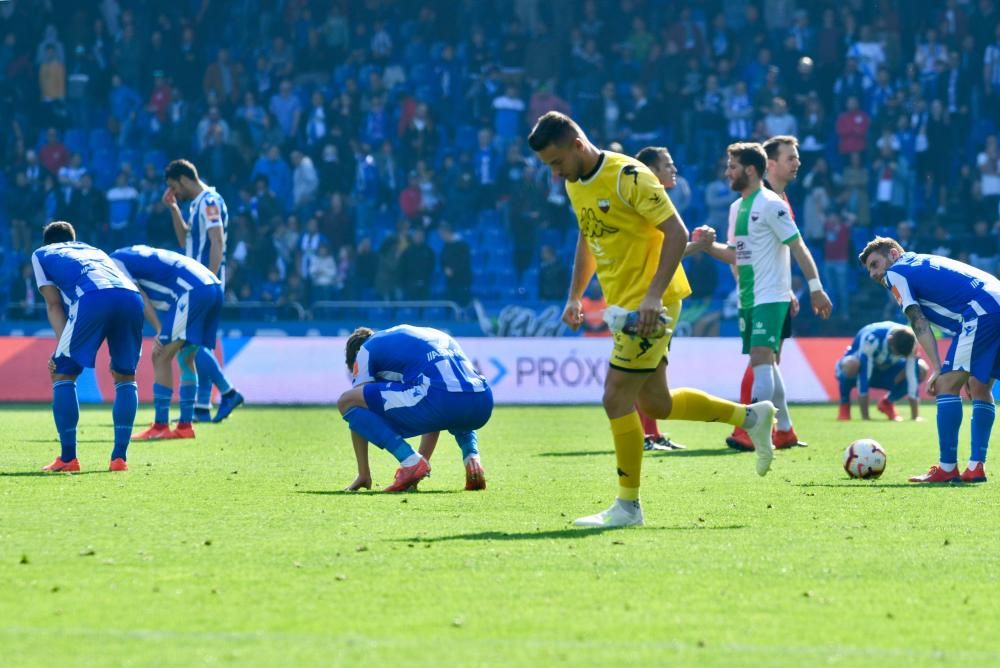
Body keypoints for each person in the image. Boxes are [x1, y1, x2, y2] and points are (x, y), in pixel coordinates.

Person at [528, 111, 778, 529]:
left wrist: (652, 297)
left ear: (576, 144)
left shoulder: (628, 175)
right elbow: (588, 237)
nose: (555, 174)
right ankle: (751, 417)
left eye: (556, 163)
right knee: (655, 402)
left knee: (615, 398)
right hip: (625, 303)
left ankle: (628, 507)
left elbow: (677, 233)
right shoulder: (576, 183)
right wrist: (575, 295)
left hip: (649, 306)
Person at [690, 142, 832, 456]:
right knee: (766, 363)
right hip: (748, 298)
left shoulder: (772, 204)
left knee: (760, 358)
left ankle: (756, 427)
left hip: (772, 296)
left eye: (732, 167)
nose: (727, 172)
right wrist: (706, 245)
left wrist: (815, 287)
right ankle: (784, 430)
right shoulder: (735, 208)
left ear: (750, 170)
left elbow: (799, 247)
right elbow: (735, 255)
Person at [859, 237, 999, 483]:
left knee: (946, 385)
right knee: (979, 386)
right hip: (994, 300)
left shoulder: (896, 273)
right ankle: (976, 466)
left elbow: (919, 322)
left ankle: (947, 468)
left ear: (893, 254)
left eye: (874, 264)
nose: (873, 274)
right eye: (869, 269)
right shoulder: (921, 261)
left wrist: (937, 368)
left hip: (980, 311)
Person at [31, 221, 144, 472]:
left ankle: (68, 458)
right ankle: (119, 459)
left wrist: (61, 349)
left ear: (47, 242)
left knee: (62, 372)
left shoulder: (42, 254)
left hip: (94, 297)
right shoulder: (93, 249)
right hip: (131, 296)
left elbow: (53, 304)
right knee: (125, 375)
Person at [338, 325, 492, 493]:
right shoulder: (418, 336)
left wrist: (363, 473)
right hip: (482, 401)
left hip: (438, 398)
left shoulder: (365, 350)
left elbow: (357, 401)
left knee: (347, 401)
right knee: (449, 397)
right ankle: (472, 460)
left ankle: (409, 461)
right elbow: (435, 417)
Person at [724, 135, 805, 451]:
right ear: (769, 164)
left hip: (775, 291)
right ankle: (746, 430)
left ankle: (784, 430)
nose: (797, 162)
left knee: (770, 359)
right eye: (790, 157)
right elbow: (741, 253)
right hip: (761, 294)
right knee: (762, 358)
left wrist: (788, 290)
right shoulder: (760, 201)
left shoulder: (778, 200)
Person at [110, 245, 224, 441]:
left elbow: (139, 296)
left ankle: (161, 425)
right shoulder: (129, 253)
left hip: (192, 290)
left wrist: (158, 328)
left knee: (160, 355)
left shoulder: (113, 264)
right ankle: (185, 426)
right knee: (186, 357)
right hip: (211, 285)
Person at [163, 159, 244, 423]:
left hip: (202, 283)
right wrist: (173, 208)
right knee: (196, 342)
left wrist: (208, 278)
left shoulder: (209, 201)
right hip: (199, 282)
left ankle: (228, 392)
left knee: (190, 343)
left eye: (174, 187)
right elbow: (185, 239)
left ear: (184, 179)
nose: (175, 192)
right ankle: (201, 406)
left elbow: (217, 239)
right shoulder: (197, 204)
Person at [632, 145, 693, 452]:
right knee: (645, 368)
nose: (674, 170)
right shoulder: (645, 201)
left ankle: (651, 433)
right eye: (667, 165)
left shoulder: (657, 201)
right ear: (651, 171)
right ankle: (644, 436)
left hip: (667, 296)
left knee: (655, 367)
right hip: (656, 297)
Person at [835, 321, 928, 422]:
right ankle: (845, 405)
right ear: (890, 340)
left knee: (921, 369)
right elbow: (864, 376)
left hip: (886, 373)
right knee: (851, 364)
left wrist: (915, 416)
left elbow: (912, 376)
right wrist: (865, 417)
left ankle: (888, 403)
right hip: (860, 371)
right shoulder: (871, 338)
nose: (896, 356)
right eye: (895, 352)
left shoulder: (912, 342)